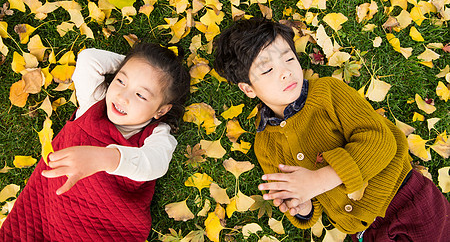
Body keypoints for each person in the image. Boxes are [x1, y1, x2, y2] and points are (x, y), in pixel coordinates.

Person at [213, 18, 449, 241]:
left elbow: (380, 141)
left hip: (408, 201)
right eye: (267, 70)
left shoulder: (327, 92)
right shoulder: (265, 144)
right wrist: (302, 206)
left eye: (288, 59)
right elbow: (303, 197)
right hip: (362, 231)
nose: (285, 72)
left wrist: (319, 180)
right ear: (248, 89)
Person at [0, 42, 190, 241]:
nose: (122, 97)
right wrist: (139, 66)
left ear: (161, 110)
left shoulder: (156, 135)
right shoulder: (94, 101)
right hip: (47, 210)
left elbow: (154, 164)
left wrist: (105, 158)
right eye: (121, 81)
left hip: (103, 223)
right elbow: (89, 59)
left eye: (140, 95)